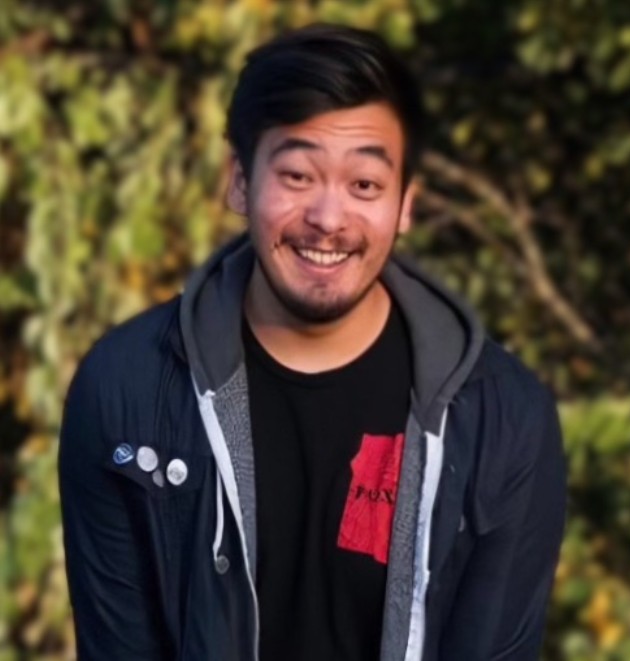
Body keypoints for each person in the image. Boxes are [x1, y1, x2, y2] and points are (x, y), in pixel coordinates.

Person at [59, 23, 566, 661]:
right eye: (297, 175)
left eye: (365, 185)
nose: (329, 219)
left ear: (406, 203)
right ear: (240, 180)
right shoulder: (128, 390)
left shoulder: (502, 418)